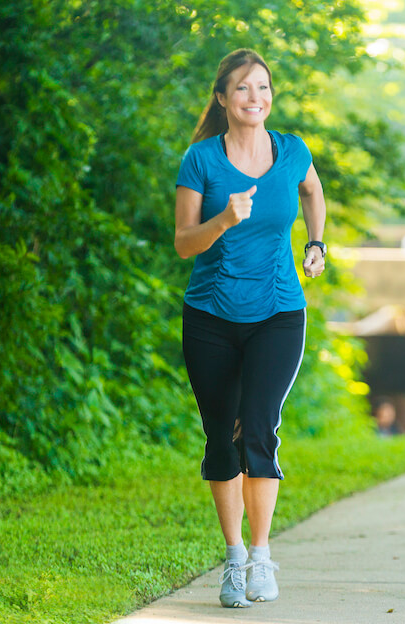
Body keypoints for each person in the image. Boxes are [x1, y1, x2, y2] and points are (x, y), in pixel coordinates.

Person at [173, 49, 326, 609]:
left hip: (279, 312)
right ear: (222, 98)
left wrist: (315, 242)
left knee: (259, 426)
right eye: (241, 88)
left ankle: (262, 556)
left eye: (262, 87)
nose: (253, 97)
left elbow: (312, 191)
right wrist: (224, 218)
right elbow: (184, 242)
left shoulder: (291, 150)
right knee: (222, 435)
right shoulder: (201, 160)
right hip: (211, 316)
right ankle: (234, 559)